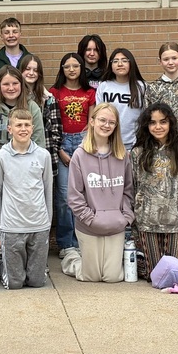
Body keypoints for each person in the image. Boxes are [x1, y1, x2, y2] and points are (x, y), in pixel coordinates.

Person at [64, 104, 134, 283]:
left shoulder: (122, 155)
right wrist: (90, 219)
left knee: (113, 277)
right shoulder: (80, 155)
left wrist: (125, 217)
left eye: (112, 122)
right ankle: (72, 259)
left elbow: (128, 190)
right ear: (92, 121)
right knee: (91, 277)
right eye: (102, 120)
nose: (106, 125)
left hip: (116, 224)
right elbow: (74, 196)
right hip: (89, 225)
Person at [130, 103, 178, 281]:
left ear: (170, 124)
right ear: (146, 126)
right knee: (156, 276)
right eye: (152, 123)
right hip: (147, 221)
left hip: (175, 221)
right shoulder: (138, 153)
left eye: (163, 122)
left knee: (172, 274)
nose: (158, 127)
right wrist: (136, 223)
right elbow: (133, 187)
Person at [0, 108, 53, 289]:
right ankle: (3, 264)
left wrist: (47, 223)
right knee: (15, 284)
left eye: (27, 125)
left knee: (37, 282)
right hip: (12, 225)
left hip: (39, 224)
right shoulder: (0, 157)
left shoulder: (43, 155)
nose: (23, 129)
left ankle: (36, 270)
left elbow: (48, 190)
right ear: (9, 129)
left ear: (33, 128)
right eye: (18, 125)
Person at [50, 53, 96, 259]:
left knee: (85, 195)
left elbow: (93, 122)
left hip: (83, 143)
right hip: (61, 144)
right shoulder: (54, 92)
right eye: (66, 66)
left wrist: (83, 148)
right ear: (62, 69)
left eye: (75, 65)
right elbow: (51, 123)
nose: (71, 69)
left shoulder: (90, 92)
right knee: (63, 197)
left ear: (81, 68)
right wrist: (60, 150)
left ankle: (82, 240)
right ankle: (65, 243)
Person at [0, 66, 46, 169]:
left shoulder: (32, 107)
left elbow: (38, 141)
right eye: (6, 84)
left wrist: (28, 167)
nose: (11, 88)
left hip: (28, 168)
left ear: (21, 85)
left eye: (15, 83)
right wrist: (0, 169)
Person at [95, 48, 146, 150]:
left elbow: (146, 116)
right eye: (115, 61)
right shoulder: (104, 86)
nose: (120, 64)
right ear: (111, 65)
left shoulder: (142, 87)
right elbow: (98, 115)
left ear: (131, 63)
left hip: (133, 144)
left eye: (124, 60)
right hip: (108, 143)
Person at [19, 54, 61, 173]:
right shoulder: (14, 98)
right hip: (19, 155)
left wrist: (52, 149)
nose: (31, 73)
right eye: (27, 69)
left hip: (45, 152)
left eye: (35, 70)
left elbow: (56, 129)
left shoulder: (48, 99)